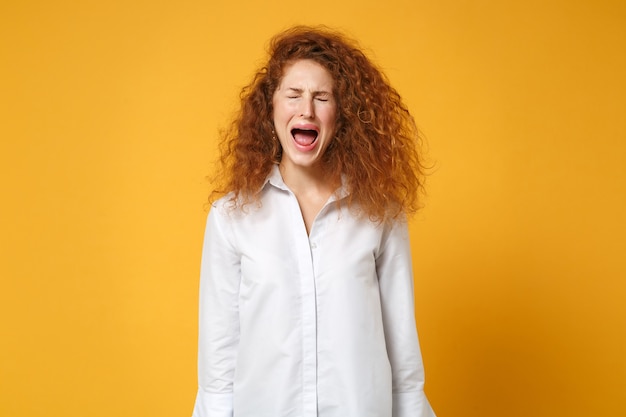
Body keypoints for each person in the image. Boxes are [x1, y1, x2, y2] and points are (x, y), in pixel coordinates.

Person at [192, 26, 436, 417]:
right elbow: (218, 363)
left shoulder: (380, 214)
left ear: (341, 116)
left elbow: (401, 346)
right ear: (270, 108)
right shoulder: (231, 217)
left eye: (322, 98)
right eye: (293, 95)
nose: (306, 109)